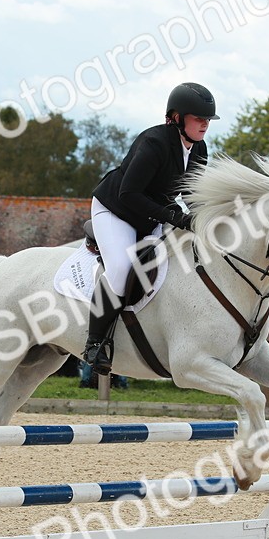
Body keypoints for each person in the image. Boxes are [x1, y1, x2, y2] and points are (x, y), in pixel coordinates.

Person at [82, 82, 216, 374]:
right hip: (115, 211)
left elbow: (192, 195)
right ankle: (95, 343)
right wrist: (172, 215)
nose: (205, 124)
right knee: (120, 268)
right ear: (177, 118)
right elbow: (128, 193)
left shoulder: (199, 149)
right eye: (198, 118)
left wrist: (203, 220)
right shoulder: (154, 143)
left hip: (152, 215)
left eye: (207, 119)